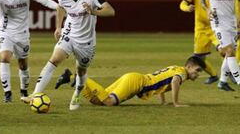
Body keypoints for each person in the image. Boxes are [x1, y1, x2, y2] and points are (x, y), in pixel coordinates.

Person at [21, 0, 115, 110]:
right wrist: (58, 27)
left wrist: (93, 12)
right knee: (54, 60)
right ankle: (35, 94)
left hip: (86, 43)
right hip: (69, 35)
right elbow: (60, 8)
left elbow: (111, 11)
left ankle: (77, 95)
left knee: (81, 71)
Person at [56, 56, 206, 107]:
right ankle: (79, 77)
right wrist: (176, 103)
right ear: (189, 66)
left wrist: (163, 101)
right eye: (197, 70)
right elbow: (173, 82)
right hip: (137, 82)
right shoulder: (182, 73)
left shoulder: (176, 68)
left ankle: (70, 78)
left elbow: (162, 83)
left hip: (135, 79)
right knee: (109, 102)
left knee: (97, 100)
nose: (197, 74)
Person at [201, 0, 240, 91]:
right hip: (217, 23)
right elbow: (202, 0)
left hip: (232, 22)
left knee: (231, 53)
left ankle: (222, 82)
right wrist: (207, 10)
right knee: (229, 51)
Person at [179, 0, 219, 84]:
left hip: (217, 26)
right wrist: (187, 8)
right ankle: (214, 76)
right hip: (201, 28)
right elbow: (182, 4)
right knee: (199, 58)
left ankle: (233, 74)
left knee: (226, 50)